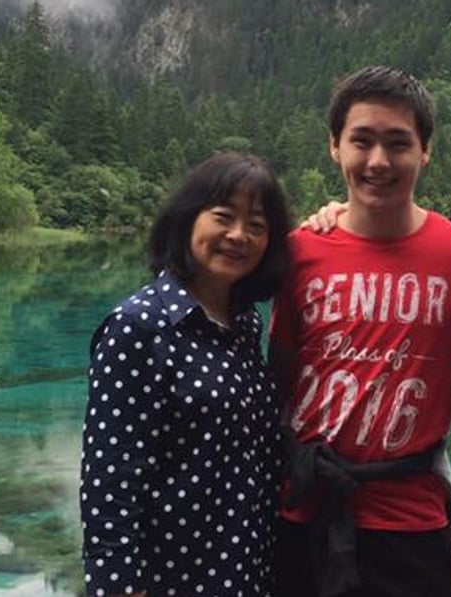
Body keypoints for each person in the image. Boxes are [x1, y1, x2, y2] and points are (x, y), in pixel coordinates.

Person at [268, 65, 451, 597]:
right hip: (301, 508)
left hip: (409, 524)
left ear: (425, 151)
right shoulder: (299, 250)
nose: (378, 161)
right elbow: (277, 378)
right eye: (361, 141)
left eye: (397, 143)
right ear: (333, 146)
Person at [80, 152, 293, 597]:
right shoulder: (139, 326)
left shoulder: (243, 323)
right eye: (223, 217)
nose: (238, 235)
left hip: (246, 569)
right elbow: (110, 479)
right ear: (187, 219)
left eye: (256, 225)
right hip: (173, 578)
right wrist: (121, 587)